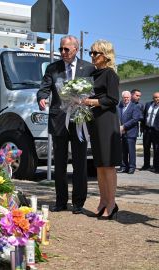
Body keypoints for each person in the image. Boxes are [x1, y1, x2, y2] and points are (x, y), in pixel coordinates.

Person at [36, 35, 95, 214]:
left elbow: (94, 92)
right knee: (60, 163)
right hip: (59, 120)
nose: (62, 52)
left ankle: (78, 203)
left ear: (76, 49)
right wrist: (42, 98)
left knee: (79, 163)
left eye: (66, 49)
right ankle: (61, 201)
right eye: (61, 49)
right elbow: (44, 87)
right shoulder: (53, 68)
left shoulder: (89, 68)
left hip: (79, 122)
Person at [83, 39, 121, 220]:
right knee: (98, 164)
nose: (92, 56)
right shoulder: (93, 73)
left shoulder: (110, 74)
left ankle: (112, 203)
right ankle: (103, 200)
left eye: (95, 53)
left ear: (105, 56)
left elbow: (113, 99)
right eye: (90, 52)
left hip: (106, 120)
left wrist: (92, 101)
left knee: (108, 164)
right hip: (94, 120)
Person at [117, 91, 142, 174]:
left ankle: (132, 167)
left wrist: (124, 126)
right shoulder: (119, 107)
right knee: (123, 151)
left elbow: (135, 119)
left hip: (130, 132)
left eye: (127, 97)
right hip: (121, 133)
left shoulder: (135, 106)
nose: (126, 99)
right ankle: (124, 166)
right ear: (122, 98)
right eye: (124, 97)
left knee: (131, 151)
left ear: (130, 97)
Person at [142, 92, 159, 173]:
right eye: (155, 97)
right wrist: (143, 128)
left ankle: (156, 166)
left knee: (156, 149)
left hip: (156, 131)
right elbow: (144, 116)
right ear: (153, 98)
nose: (157, 99)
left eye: (158, 97)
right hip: (147, 130)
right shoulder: (148, 104)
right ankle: (146, 165)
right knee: (146, 148)